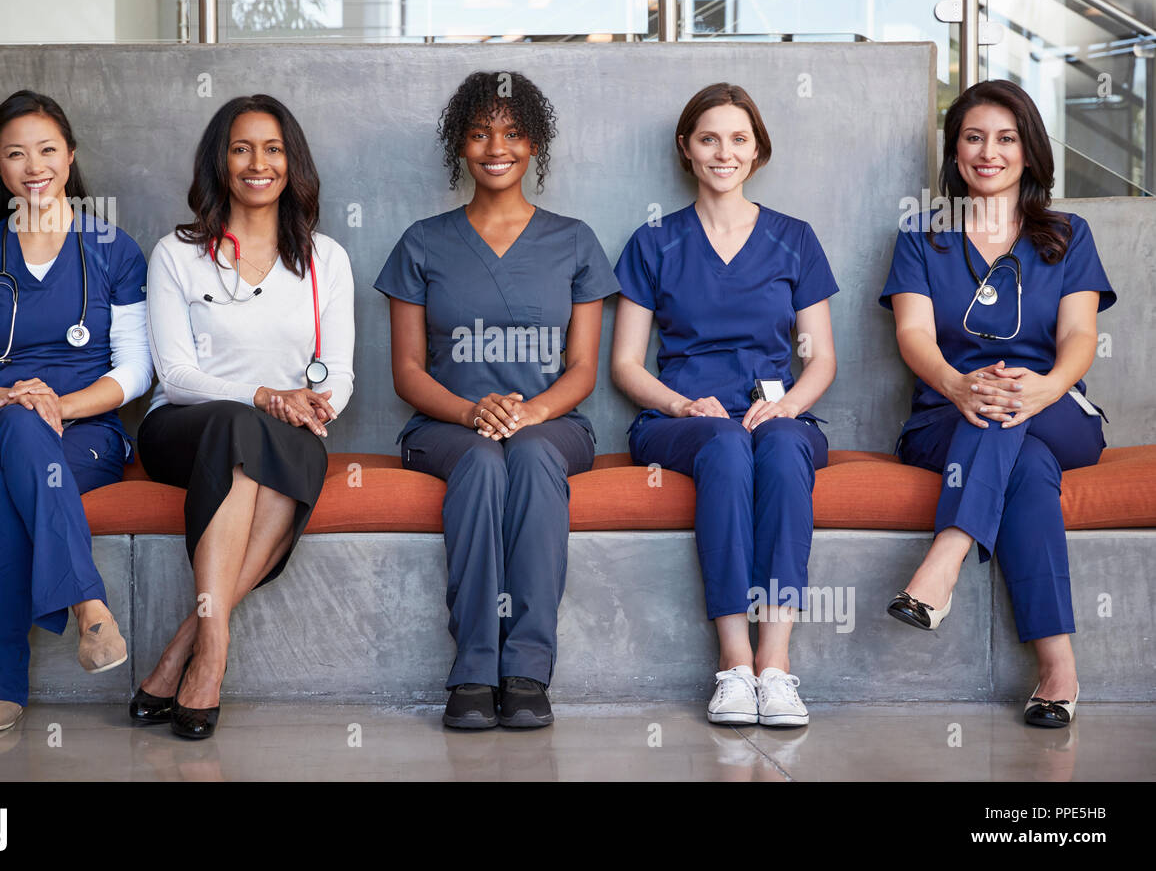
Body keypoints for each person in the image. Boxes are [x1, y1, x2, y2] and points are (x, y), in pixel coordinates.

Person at [374, 71, 620, 729]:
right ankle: (474, 671)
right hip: (446, 428)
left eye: (512, 133)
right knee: (482, 462)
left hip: (553, 424)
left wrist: (532, 412)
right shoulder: (423, 242)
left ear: (534, 145)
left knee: (534, 456)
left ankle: (527, 670)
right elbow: (405, 370)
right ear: (460, 143)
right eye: (479, 133)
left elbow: (584, 367)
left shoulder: (574, 240)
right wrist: (469, 412)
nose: (495, 147)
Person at [880, 79, 1115, 728]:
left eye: (1006, 138)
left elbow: (1078, 336)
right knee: (1027, 465)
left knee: (1012, 405)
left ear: (1030, 151)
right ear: (955, 153)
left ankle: (945, 561)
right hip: (945, 419)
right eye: (974, 138)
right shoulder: (922, 236)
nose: (989, 151)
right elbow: (914, 335)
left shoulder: (1068, 234)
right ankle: (1058, 668)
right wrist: (957, 384)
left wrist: (1044, 386)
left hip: (1058, 408)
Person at [610, 83, 838, 728]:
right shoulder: (654, 240)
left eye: (739, 139)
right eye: (709, 138)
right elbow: (625, 364)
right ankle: (734, 666)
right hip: (679, 421)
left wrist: (791, 405)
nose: (724, 152)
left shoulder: (794, 238)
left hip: (775, 411)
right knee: (728, 445)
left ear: (758, 150)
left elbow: (821, 357)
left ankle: (777, 666)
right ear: (686, 148)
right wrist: (683, 405)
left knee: (787, 450)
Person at [134, 95, 354, 739]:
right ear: (220, 162)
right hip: (183, 429)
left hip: (286, 431)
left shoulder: (325, 260)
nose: (258, 163)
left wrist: (316, 404)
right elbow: (173, 377)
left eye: (273, 148)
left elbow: (338, 374)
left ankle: (185, 649)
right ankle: (215, 659)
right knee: (241, 426)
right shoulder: (177, 253)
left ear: (293, 163)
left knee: (271, 444)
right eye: (241, 148)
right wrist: (263, 395)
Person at [0, 90, 152, 734]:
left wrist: (59, 404)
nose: (34, 166)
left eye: (47, 150)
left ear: (71, 157)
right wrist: (13, 400)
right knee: (19, 434)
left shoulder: (114, 249)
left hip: (87, 436)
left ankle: (0, 686)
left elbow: (137, 371)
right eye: (15, 154)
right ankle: (89, 605)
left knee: (7, 490)